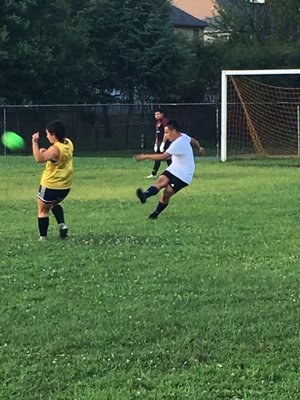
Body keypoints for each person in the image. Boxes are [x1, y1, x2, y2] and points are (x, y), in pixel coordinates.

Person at [135, 120, 204, 219]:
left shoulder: (178, 143)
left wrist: (145, 156)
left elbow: (164, 157)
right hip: (174, 168)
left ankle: (155, 214)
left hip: (184, 175)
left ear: (174, 131)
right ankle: (145, 196)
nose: (166, 136)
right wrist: (199, 148)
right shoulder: (184, 137)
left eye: (167, 133)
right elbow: (193, 140)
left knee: (166, 194)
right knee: (160, 182)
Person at [32, 120, 74, 240]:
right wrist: (47, 153)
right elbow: (57, 158)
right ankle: (62, 225)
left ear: (54, 134)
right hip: (65, 186)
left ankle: (43, 237)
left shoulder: (55, 149)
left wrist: (35, 142)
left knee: (42, 210)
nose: (47, 136)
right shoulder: (68, 143)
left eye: (48, 134)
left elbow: (39, 159)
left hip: (51, 185)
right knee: (54, 204)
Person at [147, 108, 171, 179]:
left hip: (166, 142)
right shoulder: (158, 122)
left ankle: (175, 172)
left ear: (162, 114)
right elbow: (157, 134)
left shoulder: (165, 121)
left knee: (167, 158)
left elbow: (166, 133)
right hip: (160, 142)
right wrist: (156, 143)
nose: (156, 116)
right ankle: (154, 173)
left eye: (158, 114)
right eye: (155, 114)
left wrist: (163, 143)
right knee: (159, 158)